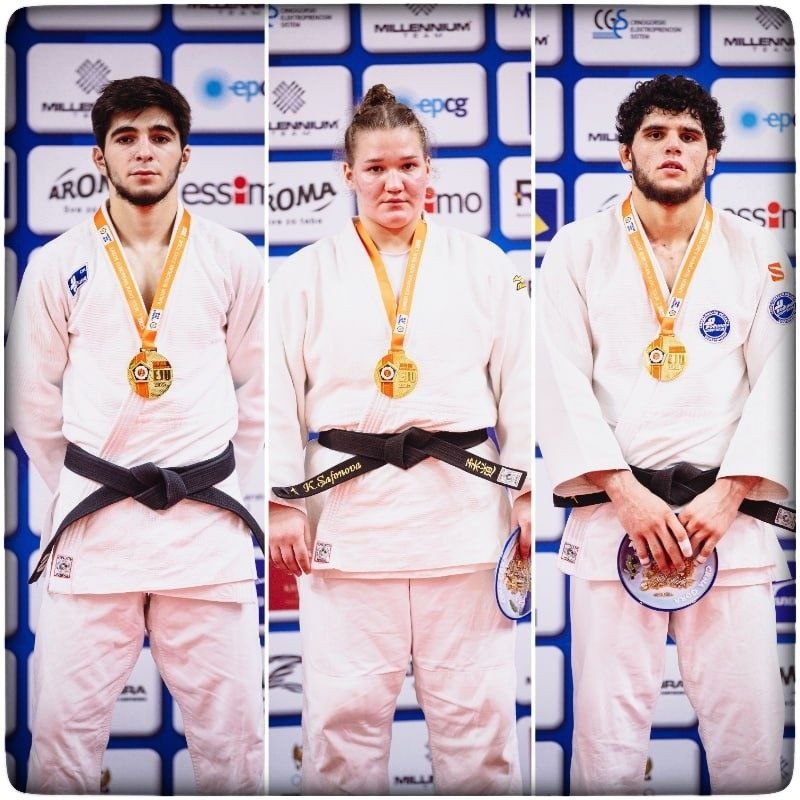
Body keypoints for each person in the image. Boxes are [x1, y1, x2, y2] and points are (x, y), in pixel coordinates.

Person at [269, 83, 531, 795]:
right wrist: (281, 501)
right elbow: (275, 395)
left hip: (465, 525)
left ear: (429, 171)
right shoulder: (305, 275)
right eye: (377, 168)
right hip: (349, 527)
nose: (394, 183)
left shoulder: (484, 266)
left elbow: (523, 385)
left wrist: (528, 490)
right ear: (348, 174)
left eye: (408, 166)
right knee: (340, 732)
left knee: (479, 730)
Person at [6, 76, 264, 794]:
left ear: (185, 153)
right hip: (96, 533)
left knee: (235, 747)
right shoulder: (56, 263)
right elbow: (31, 403)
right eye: (126, 138)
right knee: (62, 742)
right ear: (100, 156)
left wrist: (212, 478)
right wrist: (89, 486)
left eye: (159, 136)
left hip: (204, 533)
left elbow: (260, 389)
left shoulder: (232, 257)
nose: (143, 151)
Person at [537, 74, 794, 794]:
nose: (672, 147)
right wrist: (625, 495)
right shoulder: (577, 249)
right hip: (615, 519)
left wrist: (730, 493)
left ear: (712, 155)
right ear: (626, 152)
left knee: (749, 740)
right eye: (655, 133)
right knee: (607, 744)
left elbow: (784, 380)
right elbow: (559, 380)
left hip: (727, 522)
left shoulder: (758, 251)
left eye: (689, 135)